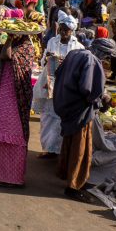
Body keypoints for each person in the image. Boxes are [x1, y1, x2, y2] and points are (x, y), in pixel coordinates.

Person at [53, 38, 116, 202]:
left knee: (70, 143)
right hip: (80, 111)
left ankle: (67, 174)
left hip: (67, 105)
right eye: (107, 56)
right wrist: (102, 100)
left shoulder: (75, 53)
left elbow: (59, 73)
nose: (106, 60)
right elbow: (88, 89)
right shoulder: (91, 60)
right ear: (102, 52)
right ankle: (74, 186)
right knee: (80, 149)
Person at [0, 30, 36, 187]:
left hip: (16, 99)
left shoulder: (26, 47)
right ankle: (0, 174)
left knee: (14, 137)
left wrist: (10, 39)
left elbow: (5, 56)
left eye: (16, 33)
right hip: (3, 96)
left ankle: (14, 178)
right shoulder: (8, 46)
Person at [38, 11, 83, 159]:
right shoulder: (52, 41)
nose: (63, 32)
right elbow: (43, 60)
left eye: (66, 30)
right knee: (48, 118)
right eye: (61, 29)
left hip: (66, 86)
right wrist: (47, 59)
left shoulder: (78, 46)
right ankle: (48, 149)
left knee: (61, 118)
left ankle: (61, 150)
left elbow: (80, 67)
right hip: (50, 84)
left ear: (72, 31)